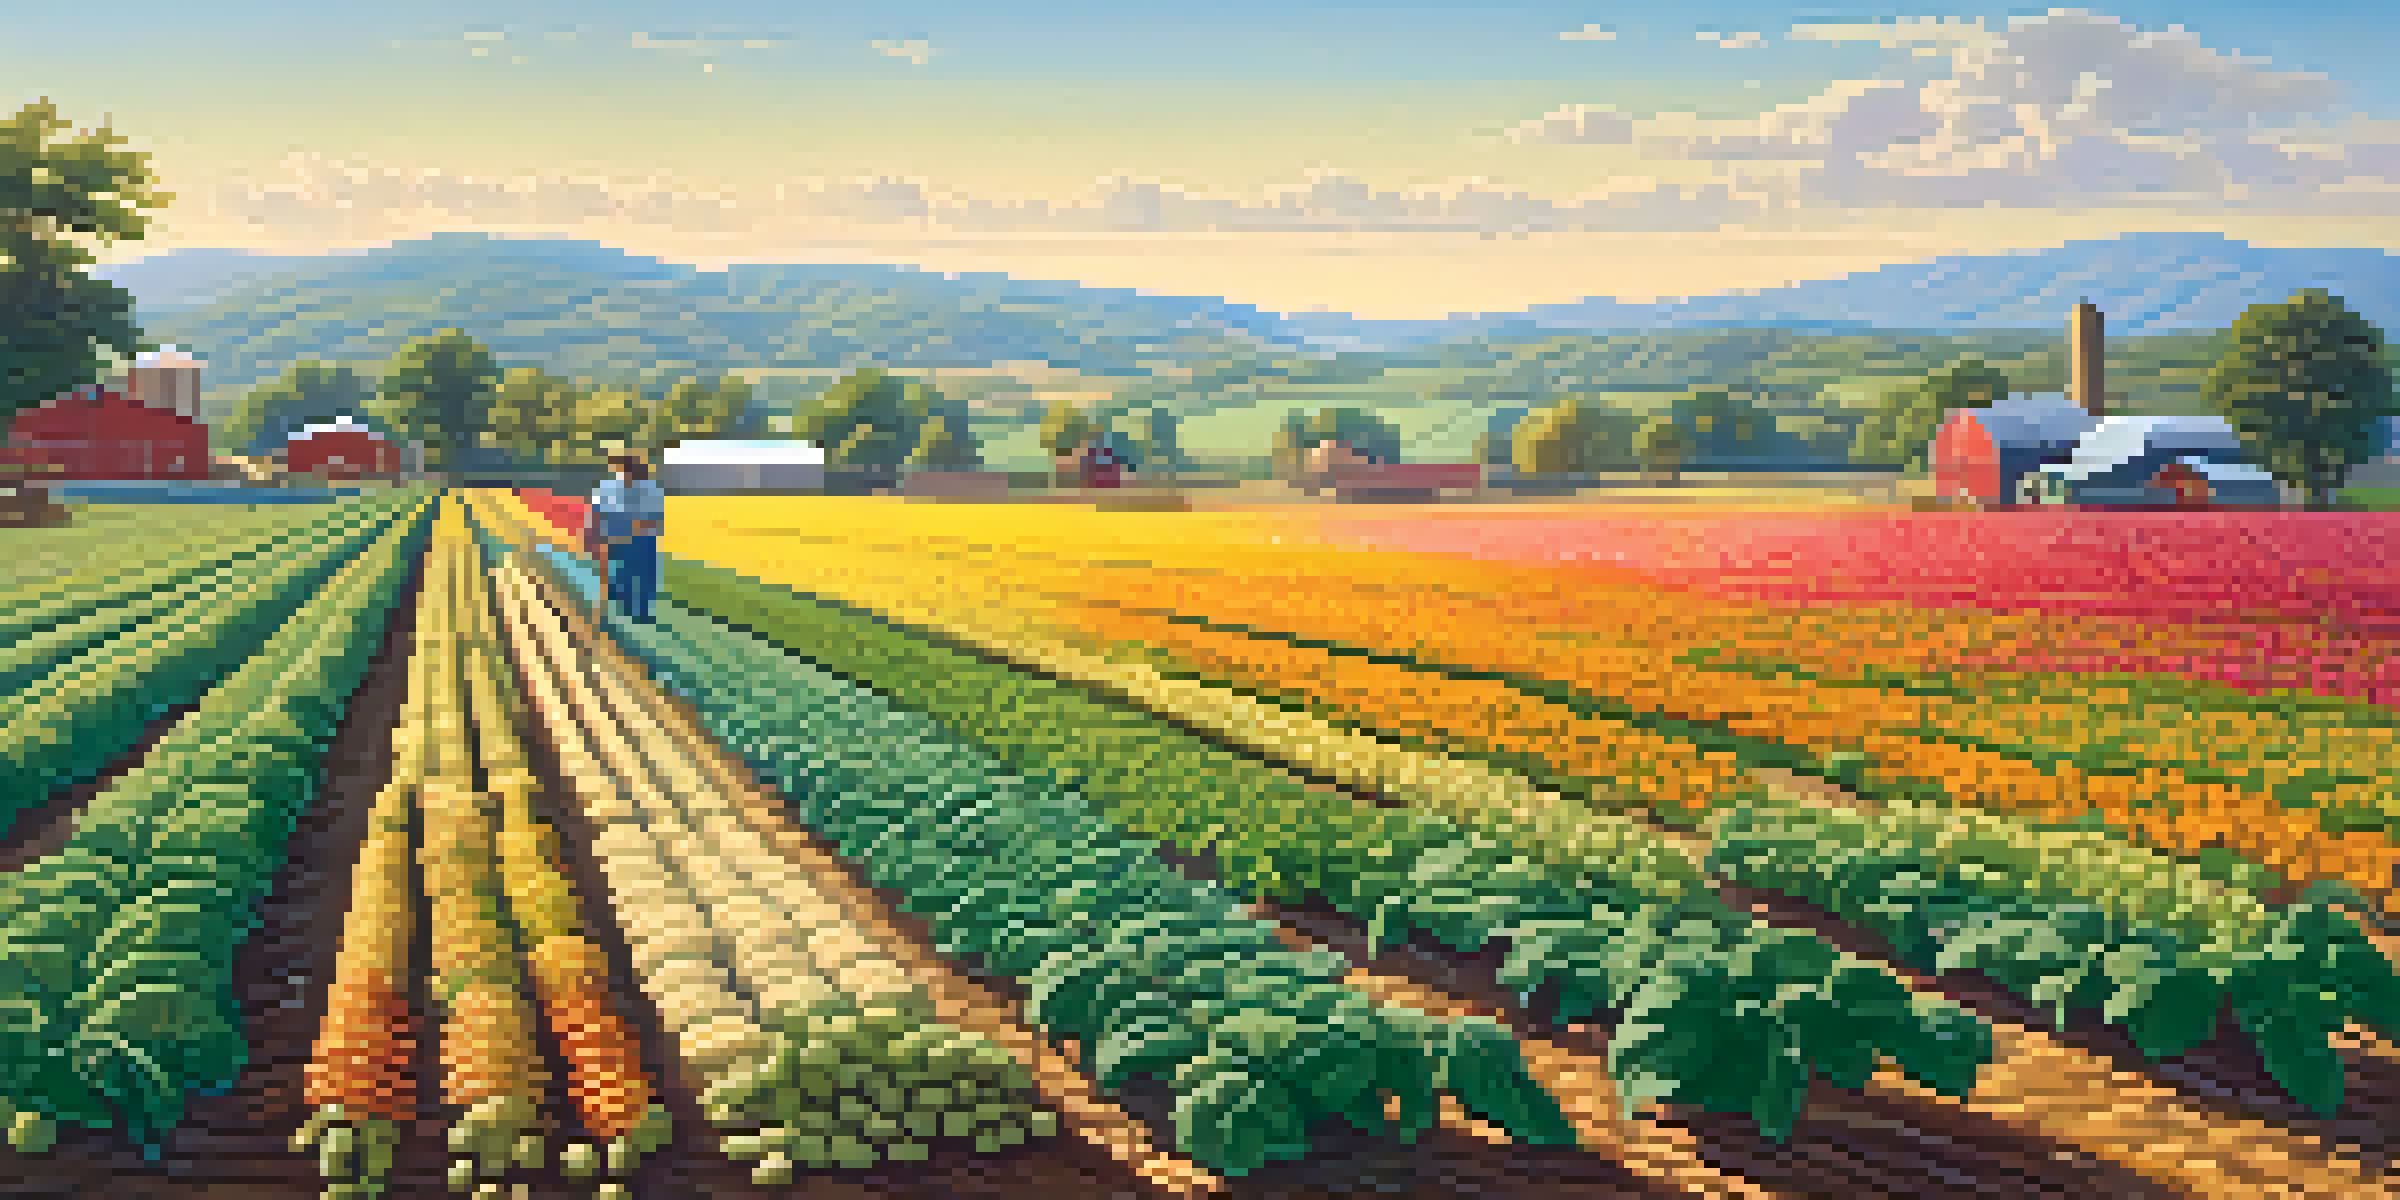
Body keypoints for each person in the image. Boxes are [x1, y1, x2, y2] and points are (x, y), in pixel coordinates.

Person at [588, 453, 666, 621]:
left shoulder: (649, 489)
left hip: (642, 539)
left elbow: (657, 518)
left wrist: (637, 526)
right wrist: (601, 534)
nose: (623, 474)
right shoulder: (609, 487)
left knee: (643, 575)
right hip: (621, 538)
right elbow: (598, 512)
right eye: (621, 470)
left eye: (626, 470)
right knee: (622, 573)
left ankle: (641, 610)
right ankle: (621, 600)